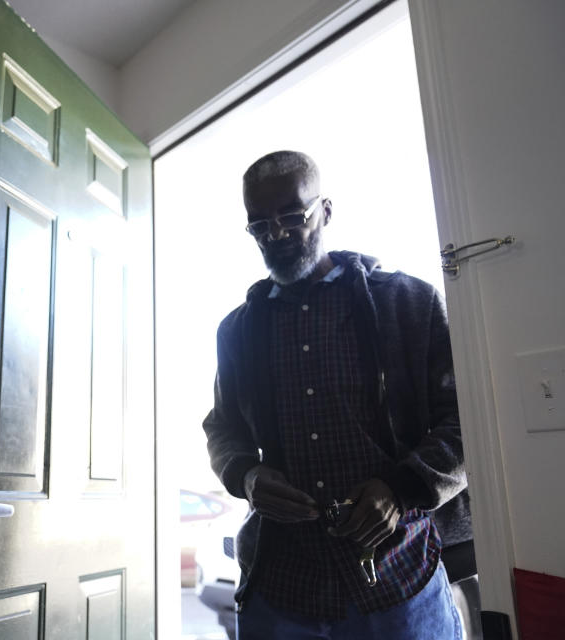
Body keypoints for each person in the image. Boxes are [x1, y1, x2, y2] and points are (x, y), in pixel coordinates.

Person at [203, 150, 471, 639]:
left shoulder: (410, 304)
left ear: (326, 211)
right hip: (281, 587)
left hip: (401, 580)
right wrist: (246, 476)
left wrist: (402, 488)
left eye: (291, 215)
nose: (276, 234)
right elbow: (221, 428)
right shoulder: (236, 331)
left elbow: (467, 420)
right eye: (259, 224)